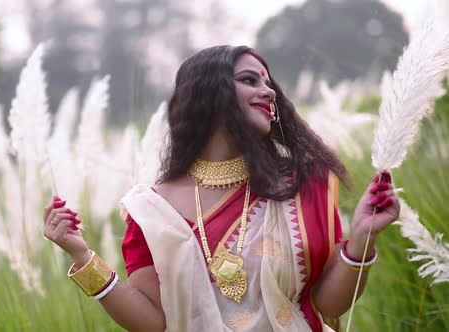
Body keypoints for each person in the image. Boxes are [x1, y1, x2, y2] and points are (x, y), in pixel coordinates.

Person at [42, 45, 400, 332]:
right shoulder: (152, 210)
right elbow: (153, 322)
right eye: (250, 80)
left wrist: (362, 239)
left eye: (268, 82)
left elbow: (325, 305)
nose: (269, 91)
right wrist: (81, 256)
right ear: (208, 93)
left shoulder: (304, 185)